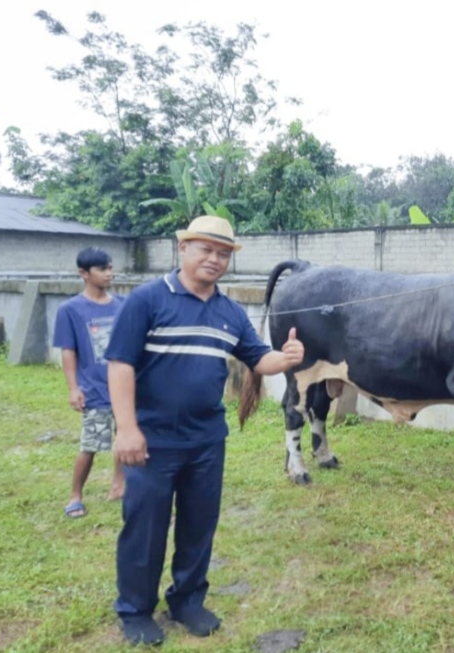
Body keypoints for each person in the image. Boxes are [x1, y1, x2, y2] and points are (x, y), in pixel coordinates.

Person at [104, 215, 304, 646]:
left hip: (206, 440)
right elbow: (120, 364)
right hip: (152, 439)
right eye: (206, 250)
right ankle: (136, 610)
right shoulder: (147, 301)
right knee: (145, 528)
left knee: (199, 525)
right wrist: (126, 429)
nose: (214, 259)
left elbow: (257, 358)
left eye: (223, 253)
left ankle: (187, 600)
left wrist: (285, 358)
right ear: (184, 249)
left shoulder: (229, 312)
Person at [54, 247, 125, 519]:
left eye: (110, 267)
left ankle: (118, 486)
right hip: (94, 390)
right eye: (102, 269)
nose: (109, 273)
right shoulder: (70, 310)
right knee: (91, 445)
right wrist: (74, 388)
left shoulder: (122, 305)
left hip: (125, 387)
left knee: (125, 437)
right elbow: (68, 351)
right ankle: (75, 496)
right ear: (83, 273)